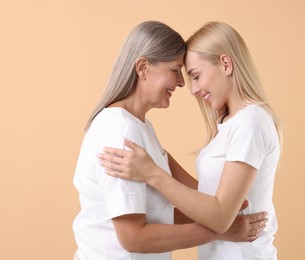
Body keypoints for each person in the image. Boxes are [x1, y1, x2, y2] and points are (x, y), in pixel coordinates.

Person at [73, 21, 268, 260]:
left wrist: (223, 217)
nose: (182, 83)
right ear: (143, 68)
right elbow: (132, 238)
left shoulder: (141, 129)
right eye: (175, 70)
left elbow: (162, 213)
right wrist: (220, 230)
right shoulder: (118, 128)